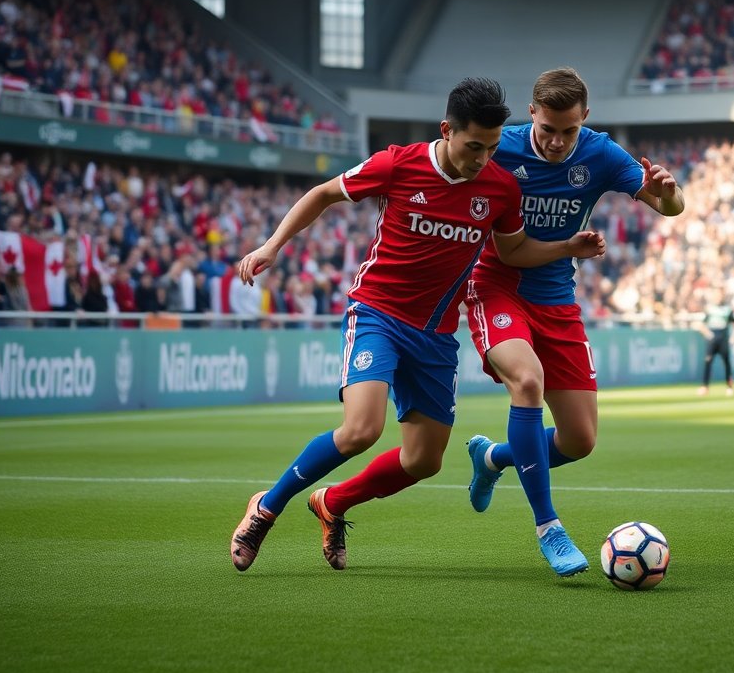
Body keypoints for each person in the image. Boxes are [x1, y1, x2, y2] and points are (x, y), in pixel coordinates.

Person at [229, 77, 606, 573]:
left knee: (424, 461)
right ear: (447, 130)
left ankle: (332, 503)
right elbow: (322, 194)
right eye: (474, 147)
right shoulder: (398, 164)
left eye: (493, 148)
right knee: (362, 429)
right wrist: (272, 245)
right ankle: (266, 507)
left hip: (435, 333)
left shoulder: (500, 186)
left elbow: (513, 251)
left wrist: (565, 247)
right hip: (378, 315)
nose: (483, 159)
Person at [460, 67, 683, 576]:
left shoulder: (600, 153)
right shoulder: (500, 147)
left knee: (580, 440)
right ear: (531, 114)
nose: (558, 141)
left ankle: (493, 458)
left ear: (586, 118)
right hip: (497, 287)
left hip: (557, 298)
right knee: (528, 381)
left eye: (569, 130)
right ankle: (549, 527)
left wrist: (667, 192)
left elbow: (670, 207)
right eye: (547, 129)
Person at [697, 286, 734, 396]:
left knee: (726, 362)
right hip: (713, 337)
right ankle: (705, 386)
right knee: (708, 361)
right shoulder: (709, 309)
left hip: (723, 336)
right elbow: (702, 324)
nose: (718, 297)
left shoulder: (727, 309)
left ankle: (729, 386)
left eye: (720, 294)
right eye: (717, 294)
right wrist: (708, 334)